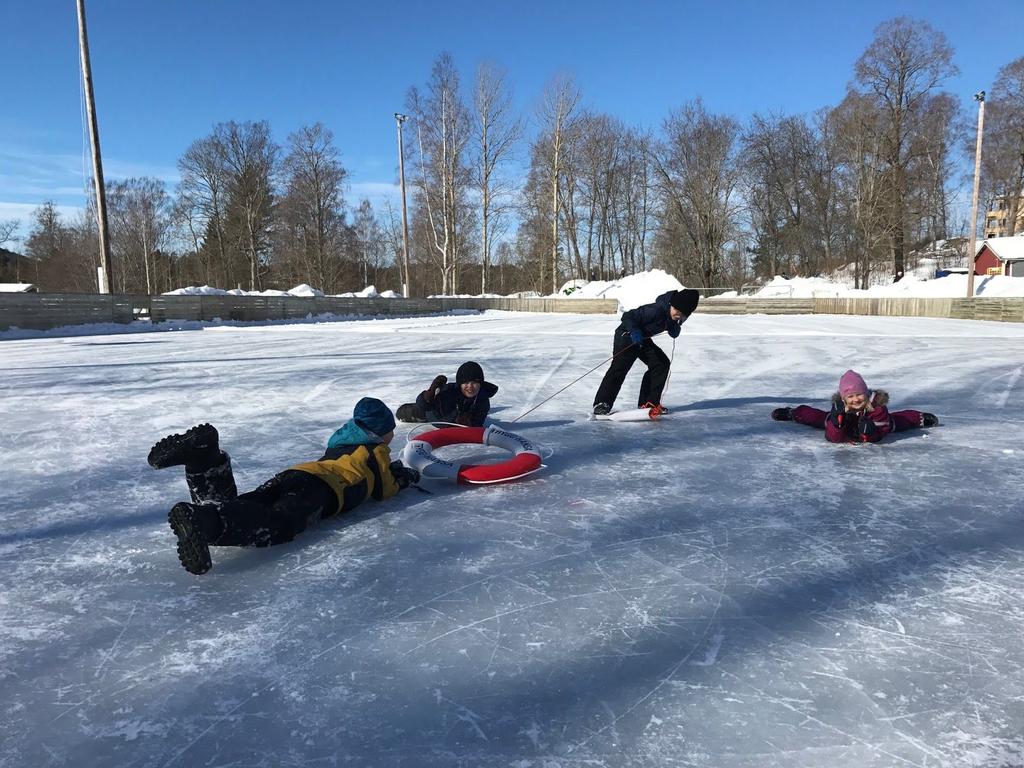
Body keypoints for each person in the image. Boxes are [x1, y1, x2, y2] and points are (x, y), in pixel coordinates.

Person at [148, 397, 420, 575]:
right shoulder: (376, 451)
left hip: (295, 473)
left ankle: (204, 460)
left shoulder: (341, 441)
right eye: (390, 430)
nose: (392, 435)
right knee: (280, 521)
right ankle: (207, 523)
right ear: (377, 433)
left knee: (252, 502)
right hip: (322, 490)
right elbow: (385, 490)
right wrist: (404, 478)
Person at [592, 288, 700, 415]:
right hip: (627, 336)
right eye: (677, 311)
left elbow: (670, 324)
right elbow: (628, 316)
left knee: (661, 364)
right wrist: (634, 331)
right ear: (672, 305)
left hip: (642, 340)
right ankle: (602, 403)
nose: (678, 316)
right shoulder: (656, 309)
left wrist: (674, 327)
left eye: (682, 315)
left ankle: (649, 403)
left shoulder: (671, 316)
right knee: (619, 368)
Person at [770, 369, 939, 444]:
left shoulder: (877, 408)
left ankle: (921, 417)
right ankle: (793, 413)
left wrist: (870, 433)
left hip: (877, 425)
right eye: (850, 396)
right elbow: (834, 438)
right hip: (844, 425)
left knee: (899, 421)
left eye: (859, 394)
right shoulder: (841, 408)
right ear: (844, 398)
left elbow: (881, 434)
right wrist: (837, 423)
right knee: (815, 417)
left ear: (866, 394)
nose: (855, 400)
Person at [395, 361, 498, 427]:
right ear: (459, 384)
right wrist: (428, 396)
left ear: (480, 384)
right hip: (432, 414)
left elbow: (479, 422)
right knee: (407, 412)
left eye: (474, 383)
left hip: (451, 417)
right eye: (466, 382)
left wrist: (470, 422)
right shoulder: (448, 392)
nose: (470, 386)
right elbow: (430, 412)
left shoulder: (483, 399)